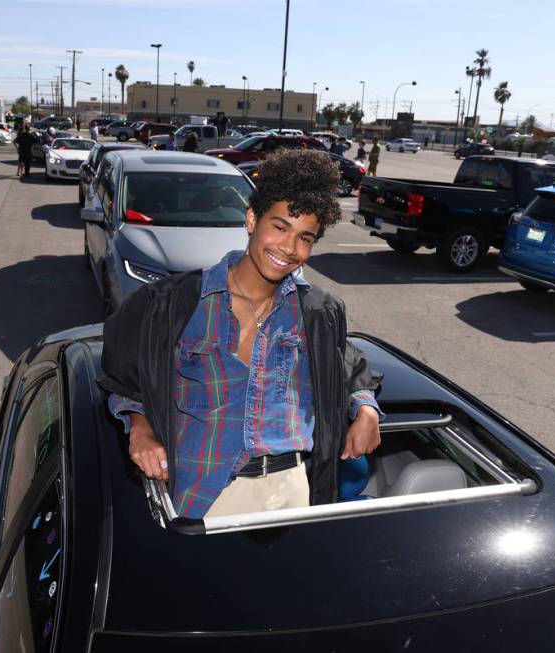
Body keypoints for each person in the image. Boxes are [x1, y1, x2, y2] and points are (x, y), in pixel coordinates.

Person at [100, 149, 382, 520]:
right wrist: (139, 428)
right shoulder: (170, 303)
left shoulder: (317, 312)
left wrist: (365, 408)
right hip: (200, 493)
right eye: (279, 227)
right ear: (252, 219)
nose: (288, 248)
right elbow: (122, 378)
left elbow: (345, 362)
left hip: (291, 493)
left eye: (305, 238)